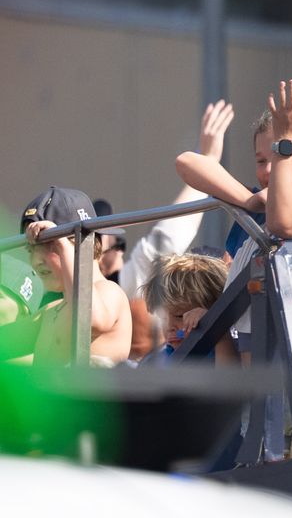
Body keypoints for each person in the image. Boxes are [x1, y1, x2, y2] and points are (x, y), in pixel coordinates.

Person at [176, 80, 292, 353]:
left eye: (283, 154)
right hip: (245, 370)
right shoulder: (254, 213)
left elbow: (284, 223)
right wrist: (248, 200)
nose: (270, 169)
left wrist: (285, 139)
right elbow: (186, 162)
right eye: (262, 160)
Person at [94, 100, 236, 359]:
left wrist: (207, 163)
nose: (172, 323)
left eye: (180, 315)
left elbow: (167, 237)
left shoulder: (129, 281)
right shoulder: (69, 293)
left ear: (118, 249)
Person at [20, 187, 132, 365]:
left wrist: (62, 245)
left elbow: (89, 320)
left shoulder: (110, 291)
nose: (36, 260)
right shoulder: (51, 311)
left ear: (81, 243)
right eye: (31, 249)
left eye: (50, 245)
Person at [140, 253, 237, 363]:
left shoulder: (225, 347)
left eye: (179, 316)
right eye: (163, 318)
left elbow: (228, 378)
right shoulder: (156, 360)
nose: (169, 327)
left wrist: (218, 331)